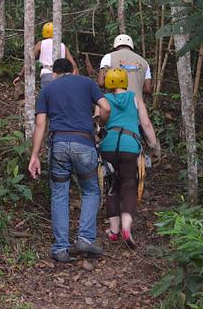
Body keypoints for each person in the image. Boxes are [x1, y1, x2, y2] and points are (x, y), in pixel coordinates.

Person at [29, 58, 111, 263]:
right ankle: (84, 238)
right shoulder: (87, 83)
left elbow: (40, 125)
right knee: (91, 190)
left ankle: (60, 248)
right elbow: (106, 108)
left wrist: (34, 156)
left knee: (59, 194)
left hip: (58, 145)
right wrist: (99, 125)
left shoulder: (48, 90)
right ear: (73, 71)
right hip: (84, 143)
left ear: (55, 74)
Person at [99, 68, 159, 249]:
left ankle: (114, 230)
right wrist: (154, 145)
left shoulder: (103, 100)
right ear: (125, 81)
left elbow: (98, 124)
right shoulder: (135, 98)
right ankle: (126, 227)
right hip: (130, 145)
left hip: (108, 145)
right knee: (128, 184)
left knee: (111, 184)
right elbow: (146, 124)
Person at [13, 22, 79, 88]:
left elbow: (29, 60)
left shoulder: (40, 44)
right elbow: (74, 65)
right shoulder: (62, 45)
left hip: (47, 75)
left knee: (47, 96)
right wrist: (79, 80)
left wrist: (20, 76)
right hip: (61, 76)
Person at [97, 34, 152, 99]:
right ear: (131, 46)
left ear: (116, 46)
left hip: (114, 102)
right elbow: (147, 89)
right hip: (136, 104)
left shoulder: (108, 57)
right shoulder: (144, 62)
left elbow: (101, 83)